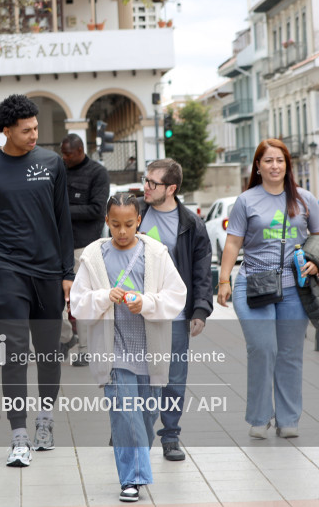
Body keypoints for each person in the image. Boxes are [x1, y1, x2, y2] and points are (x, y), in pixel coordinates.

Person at [0, 94, 75, 467]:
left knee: (48, 353)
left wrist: (67, 273)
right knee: (13, 353)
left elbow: (63, 221)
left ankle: (45, 420)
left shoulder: (51, 164)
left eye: (36, 128)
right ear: (7, 130)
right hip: (7, 271)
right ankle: (19, 436)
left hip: (48, 274)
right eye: (26, 130)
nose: (34, 135)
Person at [71, 193, 186, 503]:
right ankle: (132, 479)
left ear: (139, 222)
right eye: (115, 225)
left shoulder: (157, 254)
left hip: (151, 353)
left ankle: (135, 461)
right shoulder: (94, 256)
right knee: (125, 414)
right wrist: (104, 296)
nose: (122, 232)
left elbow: (177, 296)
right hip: (114, 352)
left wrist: (146, 303)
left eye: (128, 225)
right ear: (107, 221)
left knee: (146, 418)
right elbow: (78, 303)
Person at [217, 139, 319, 439]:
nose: (275, 166)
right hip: (254, 284)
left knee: (290, 353)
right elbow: (232, 242)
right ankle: (259, 416)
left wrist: (316, 262)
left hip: (296, 287)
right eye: (268, 161)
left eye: (280, 160)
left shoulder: (305, 199)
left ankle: (288, 418)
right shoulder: (246, 201)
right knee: (264, 349)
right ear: (258, 166)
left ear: (287, 165)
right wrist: (224, 279)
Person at [138, 159, 213, 462]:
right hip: (136, 312)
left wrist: (200, 310)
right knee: (137, 375)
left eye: (152, 183)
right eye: (146, 181)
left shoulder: (191, 224)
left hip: (176, 314)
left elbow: (201, 271)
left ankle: (170, 436)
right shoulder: (135, 215)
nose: (146, 187)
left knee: (173, 379)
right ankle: (132, 428)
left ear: (171, 188)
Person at [60, 133, 111, 367]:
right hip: (58, 245)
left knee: (81, 298)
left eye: (68, 154)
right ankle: (65, 338)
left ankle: (86, 349)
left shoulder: (98, 173)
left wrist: (62, 210)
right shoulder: (59, 169)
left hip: (84, 246)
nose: (64, 157)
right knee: (53, 298)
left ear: (80, 150)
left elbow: (97, 210)